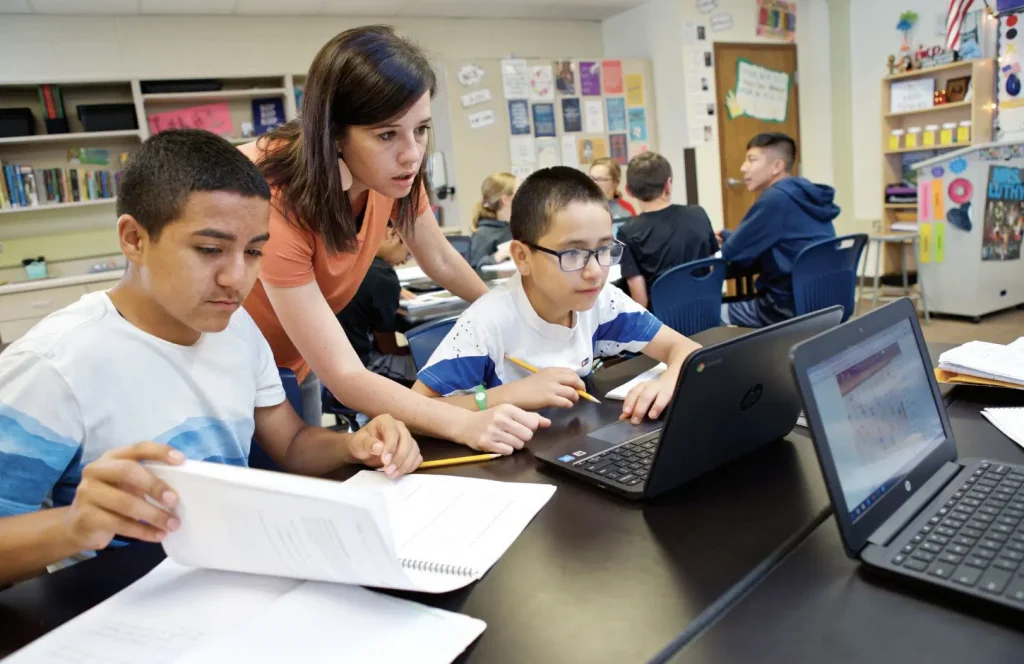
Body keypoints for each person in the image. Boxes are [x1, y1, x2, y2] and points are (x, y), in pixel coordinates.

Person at [0, 130, 421, 586]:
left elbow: (293, 445)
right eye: (209, 250)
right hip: (117, 604)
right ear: (134, 239)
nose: (236, 278)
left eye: (254, 251)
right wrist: (72, 527)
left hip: (233, 578)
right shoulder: (51, 366)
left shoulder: (237, 328)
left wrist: (352, 445)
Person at [240, 26, 547, 454]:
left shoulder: (393, 173)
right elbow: (346, 376)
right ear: (334, 136)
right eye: (387, 134)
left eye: (420, 129)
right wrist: (464, 423)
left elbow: (439, 258)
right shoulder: (272, 196)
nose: (412, 153)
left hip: (301, 359)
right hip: (233, 365)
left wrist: (514, 331)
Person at [412, 167, 702, 425]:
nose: (595, 272)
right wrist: (508, 395)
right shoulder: (486, 324)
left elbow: (683, 348)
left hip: (570, 443)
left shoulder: (600, 302)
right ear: (522, 257)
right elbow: (414, 411)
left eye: (603, 250)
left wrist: (667, 381)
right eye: (572, 253)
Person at [718, 133, 839, 328]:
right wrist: (727, 235)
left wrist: (724, 241)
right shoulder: (804, 194)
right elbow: (773, 237)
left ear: (777, 166)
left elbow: (731, 252)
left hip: (783, 309)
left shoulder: (775, 198)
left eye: (752, 160)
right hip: (821, 301)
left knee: (706, 314)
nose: (743, 168)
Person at [618, 152, 718, 309]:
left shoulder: (627, 232)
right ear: (668, 185)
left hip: (663, 329)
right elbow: (711, 270)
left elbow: (640, 302)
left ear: (629, 191)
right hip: (706, 316)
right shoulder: (698, 214)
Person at [336, 221, 417, 388]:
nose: (403, 261)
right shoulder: (383, 276)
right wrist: (416, 353)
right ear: (392, 234)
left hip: (335, 364)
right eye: (408, 254)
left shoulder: (351, 260)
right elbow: (389, 347)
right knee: (434, 370)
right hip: (365, 366)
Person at [468, 172, 516, 269]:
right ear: (506, 200)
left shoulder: (516, 227)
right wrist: (497, 257)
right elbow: (474, 268)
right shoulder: (483, 234)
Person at [589, 157, 636, 222]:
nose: (593, 183)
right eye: (591, 178)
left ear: (615, 182)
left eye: (600, 179)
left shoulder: (626, 210)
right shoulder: (580, 208)